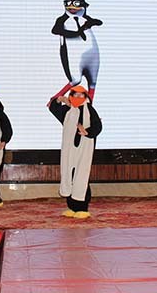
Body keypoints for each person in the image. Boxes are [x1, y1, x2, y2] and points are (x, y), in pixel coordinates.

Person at [49, 85, 102, 219]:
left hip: (84, 150)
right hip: (69, 150)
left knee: (81, 176)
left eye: (81, 95)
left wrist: (87, 132)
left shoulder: (89, 110)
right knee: (69, 175)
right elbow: (53, 107)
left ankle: (82, 208)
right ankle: (72, 207)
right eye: (75, 95)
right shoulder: (67, 110)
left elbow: (98, 126)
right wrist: (59, 100)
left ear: (85, 97)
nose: (78, 97)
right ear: (71, 96)